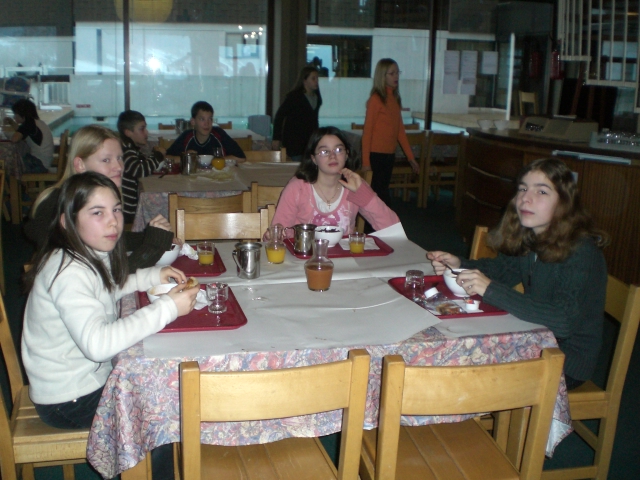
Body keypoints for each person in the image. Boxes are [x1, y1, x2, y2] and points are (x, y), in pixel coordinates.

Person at [21, 172, 197, 480]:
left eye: (116, 209)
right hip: (68, 398)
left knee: (157, 392)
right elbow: (98, 345)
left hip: (77, 382)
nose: (113, 221)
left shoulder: (83, 254)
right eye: (97, 212)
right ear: (67, 223)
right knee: (160, 416)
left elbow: (107, 288)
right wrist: (167, 308)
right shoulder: (68, 272)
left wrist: (150, 276)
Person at [427, 158, 609, 390]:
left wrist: (489, 288)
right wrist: (460, 264)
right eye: (523, 189)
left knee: (466, 372)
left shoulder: (581, 251)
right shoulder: (534, 237)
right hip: (535, 338)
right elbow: (503, 270)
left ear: (564, 202)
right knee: (455, 355)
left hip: (565, 360)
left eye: (541, 191)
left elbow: (563, 322)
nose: (526, 198)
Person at [24, 125, 175, 271]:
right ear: (80, 165)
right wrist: (154, 244)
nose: (119, 167)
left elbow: (113, 239)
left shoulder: (95, 198)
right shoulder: (57, 204)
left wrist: (149, 236)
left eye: (119, 158)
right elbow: (109, 276)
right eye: (106, 160)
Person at [271, 126, 400, 235]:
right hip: (306, 255)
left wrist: (363, 193)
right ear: (313, 159)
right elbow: (278, 234)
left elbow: (393, 229)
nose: (332, 156)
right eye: (324, 151)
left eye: (338, 150)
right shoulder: (298, 188)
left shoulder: (353, 186)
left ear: (347, 154)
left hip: (345, 256)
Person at [361, 58, 418, 205]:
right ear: (383, 76)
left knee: (382, 192)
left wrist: (411, 158)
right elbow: (367, 132)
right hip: (376, 155)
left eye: (397, 73)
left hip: (389, 155)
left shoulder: (394, 99)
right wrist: (366, 162)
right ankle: (384, 219)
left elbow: (400, 131)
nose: (396, 76)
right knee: (379, 195)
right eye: (392, 73)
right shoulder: (376, 100)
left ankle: (380, 219)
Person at [118, 110, 165, 223]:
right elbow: (139, 170)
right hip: (127, 213)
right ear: (128, 132)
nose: (146, 132)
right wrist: (158, 156)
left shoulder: (131, 148)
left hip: (129, 210)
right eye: (142, 129)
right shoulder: (126, 150)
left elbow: (141, 164)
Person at [272, 65, 323, 162]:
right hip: (294, 140)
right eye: (313, 78)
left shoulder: (316, 97)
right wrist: (276, 138)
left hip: (309, 140)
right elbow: (280, 116)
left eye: (317, 78)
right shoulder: (295, 97)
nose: (316, 81)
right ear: (304, 81)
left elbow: (314, 119)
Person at [165, 101, 246, 161]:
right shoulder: (187, 136)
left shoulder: (219, 134)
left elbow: (241, 158)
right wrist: (187, 157)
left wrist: (214, 160)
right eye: (202, 119)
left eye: (210, 119)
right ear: (193, 121)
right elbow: (167, 157)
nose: (207, 123)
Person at [9, 98, 54, 173]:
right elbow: (21, 131)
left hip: (38, 164)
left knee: (10, 164)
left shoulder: (29, 124)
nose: (14, 117)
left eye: (15, 114)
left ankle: (9, 180)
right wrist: (11, 123)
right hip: (44, 162)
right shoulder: (37, 123)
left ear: (23, 114)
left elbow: (14, 139)